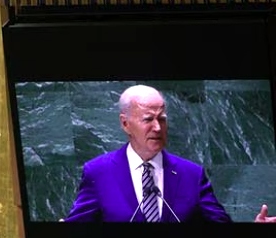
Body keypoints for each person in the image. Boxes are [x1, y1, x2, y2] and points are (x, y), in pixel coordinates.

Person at [64, 84, 270, 223]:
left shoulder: (192, 174)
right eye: (148, 119)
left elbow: (222, 231)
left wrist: (253, 232)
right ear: (125, 123)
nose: (157, 127)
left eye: (162, 119)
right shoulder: (98, 172)